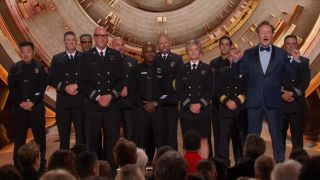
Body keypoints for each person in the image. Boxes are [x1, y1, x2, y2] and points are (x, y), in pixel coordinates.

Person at [231, 21, 301, 162]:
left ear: (272, 35)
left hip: (274, 101)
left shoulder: (281, 53)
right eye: (262, 32)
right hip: (254, 101)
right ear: (258, 35)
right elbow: (238, 75)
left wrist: (296, 60)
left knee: (277, 137)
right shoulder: (249, 53)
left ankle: (280, 166)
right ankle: (250, 167)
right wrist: (237, 61)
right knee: (252, 140)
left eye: (268, 32)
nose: (265, 35)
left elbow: (291, 75)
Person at [80, 26, 125, 168]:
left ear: (107, 38)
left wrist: (110, 96)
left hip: (112, 106)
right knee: (91, 142)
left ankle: (111, 171)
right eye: (99, 36)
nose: (102, 38)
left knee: (112, 142)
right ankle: (91, 172)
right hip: (93, 106)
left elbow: (121, 80)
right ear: (94, 37)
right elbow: (82, 82)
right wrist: (98, 97)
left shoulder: (116, 55)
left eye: (104, 36)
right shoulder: (85, 56)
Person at [128, 43, 173, 160]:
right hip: (140, 113)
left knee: (161, 145)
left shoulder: (164, 69)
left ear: (156, 52)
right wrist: (143, 105)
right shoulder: (135, 70)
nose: (150, 54)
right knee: (139, 145)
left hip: (159, 113)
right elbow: (132, 92)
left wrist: (156, 103)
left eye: (152, 51)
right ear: (142, 53)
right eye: (147, 51)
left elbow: (168, 92)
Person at [8, 41, 47, 171]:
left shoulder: (40, 68)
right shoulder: (14, 68)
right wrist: (21, 103)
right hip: (19, 110)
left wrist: (32, 102)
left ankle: (40, 166)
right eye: (22, 51)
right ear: (20, 53)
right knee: (19, 140)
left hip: (36, 108)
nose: (25, 54)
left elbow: (42, 88)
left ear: (33, 52)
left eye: (28, 51)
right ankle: (18, 168)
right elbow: (12, 89)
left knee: (39, 139)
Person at [176, 39, 214, 158]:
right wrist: (189, 105)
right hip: (187, 111)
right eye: (190, 50)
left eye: (196, 49)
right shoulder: (181, 69)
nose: (193, 52)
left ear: (200, 52)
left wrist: (200, 105)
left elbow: (210, 90)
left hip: (203, 111)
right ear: (187, 53)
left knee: (203, 140)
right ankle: (187, 170)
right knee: (187, 142)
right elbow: (179, 90)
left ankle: (203, 169)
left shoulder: (207, 69)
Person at [48, 31, 85, 150]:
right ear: (64, 42)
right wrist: (65, 87)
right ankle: (64, 164)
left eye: (73, 40)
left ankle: (81, 164)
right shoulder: (57, 58)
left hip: (80, 103)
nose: (71, 42)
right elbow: (52, 79)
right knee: (64, 138)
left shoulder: (84, 58)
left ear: (76, 42)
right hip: (63, 104)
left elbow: (89, 78)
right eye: (68, 40)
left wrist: (77, 86)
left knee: (81, 137)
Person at [215, 45, 247, 166]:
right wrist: (227, 102)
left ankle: (241, 167)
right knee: (223, 143)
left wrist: (236, 102)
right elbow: (217, 91)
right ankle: (223, 168)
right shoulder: (222, 72)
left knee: (240, 142)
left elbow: (247, 91)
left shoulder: (245, 72)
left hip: (240, 112)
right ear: (227, 58)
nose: (233, 56)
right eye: (230, 55)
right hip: (225, 112)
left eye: (236, 54)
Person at [281, 34, 310, 151]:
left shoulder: (304, 62)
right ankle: (280, 166)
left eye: (294, 43)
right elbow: (273, 81)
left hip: (297, 106)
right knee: (279, 140)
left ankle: (298, 167)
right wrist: (282, 94)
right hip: (281, 105)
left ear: (297, 45)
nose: (291, 46)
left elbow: (305, 82)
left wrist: (292, 93)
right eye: (288, 43)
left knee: (297, 142)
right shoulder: (278, 62)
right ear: (284, 45)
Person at [156, 35, 183, 150]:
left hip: (172, 102)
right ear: (158, 45)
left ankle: (173, 162)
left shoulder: (177, 59)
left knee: (172, 134)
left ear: (170, 43)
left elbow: (180, 80)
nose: (164, 45)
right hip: (157, 103)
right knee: (159, 134)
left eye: (166, 42)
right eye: (161, 43)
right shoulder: (154, 58)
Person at [209, 35, 233, 158]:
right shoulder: (213, 63)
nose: (224, 47)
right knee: (217, 135)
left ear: (230, 46)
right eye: (222, 44)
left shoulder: (233, 62)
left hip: (230, 105)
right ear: (219, 47)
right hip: (216, 105)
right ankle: (218, 161)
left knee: (228, 136)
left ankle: (226, 161)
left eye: (226, 44)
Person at [111, 37, 138, 141]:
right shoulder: (106, 61)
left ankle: (131, 156)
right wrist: (117, 90)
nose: (120, 47)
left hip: (128, 104)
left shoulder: (133, 61)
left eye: (122, 45)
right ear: (112, 46)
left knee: (131, 135)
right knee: (112, 135)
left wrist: (128, 88)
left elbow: (137, 81)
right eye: (117, 45)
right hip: (113, 104)